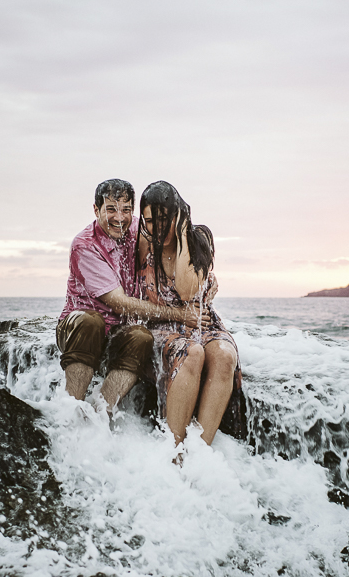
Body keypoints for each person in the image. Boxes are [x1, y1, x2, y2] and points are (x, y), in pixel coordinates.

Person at [58, 178, 208, 414]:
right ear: (96, 210)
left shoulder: (137, 230)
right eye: (111, 209)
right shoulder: (84, 245)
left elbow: (171, 246)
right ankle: (70, 411)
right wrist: (179, 314)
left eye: (126, 210)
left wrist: (206, 275)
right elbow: (118, 303)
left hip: (117, 332)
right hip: (79, 330)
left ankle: (100, 414)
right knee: (92, 321)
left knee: (141, 335)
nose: (119, 218)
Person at [136, 180, 243, 455]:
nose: (157, 228)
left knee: (224, 356)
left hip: (204, 323)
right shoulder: (144, 243)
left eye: (164, 219)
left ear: (178, 213)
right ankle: (173, 450)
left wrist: (183, 233)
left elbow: (187, 289)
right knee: (192, 353)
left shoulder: (199, 239)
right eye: (150, 221)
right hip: (163, 326)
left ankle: (199, 453)